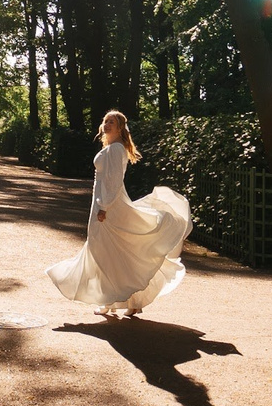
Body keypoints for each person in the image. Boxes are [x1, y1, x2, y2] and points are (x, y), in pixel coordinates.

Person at [47, 110, 192, 317]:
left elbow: (114, 181)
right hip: (102, 204)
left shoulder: (116, 149)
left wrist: (104, 206)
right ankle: (130, 301)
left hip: (108, 207)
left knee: (105, 254)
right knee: (114, 255)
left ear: (120, 127)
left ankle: (108, 300)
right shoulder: (112, 148)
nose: (106, 124)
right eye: (105, 120)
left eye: (111, 122)